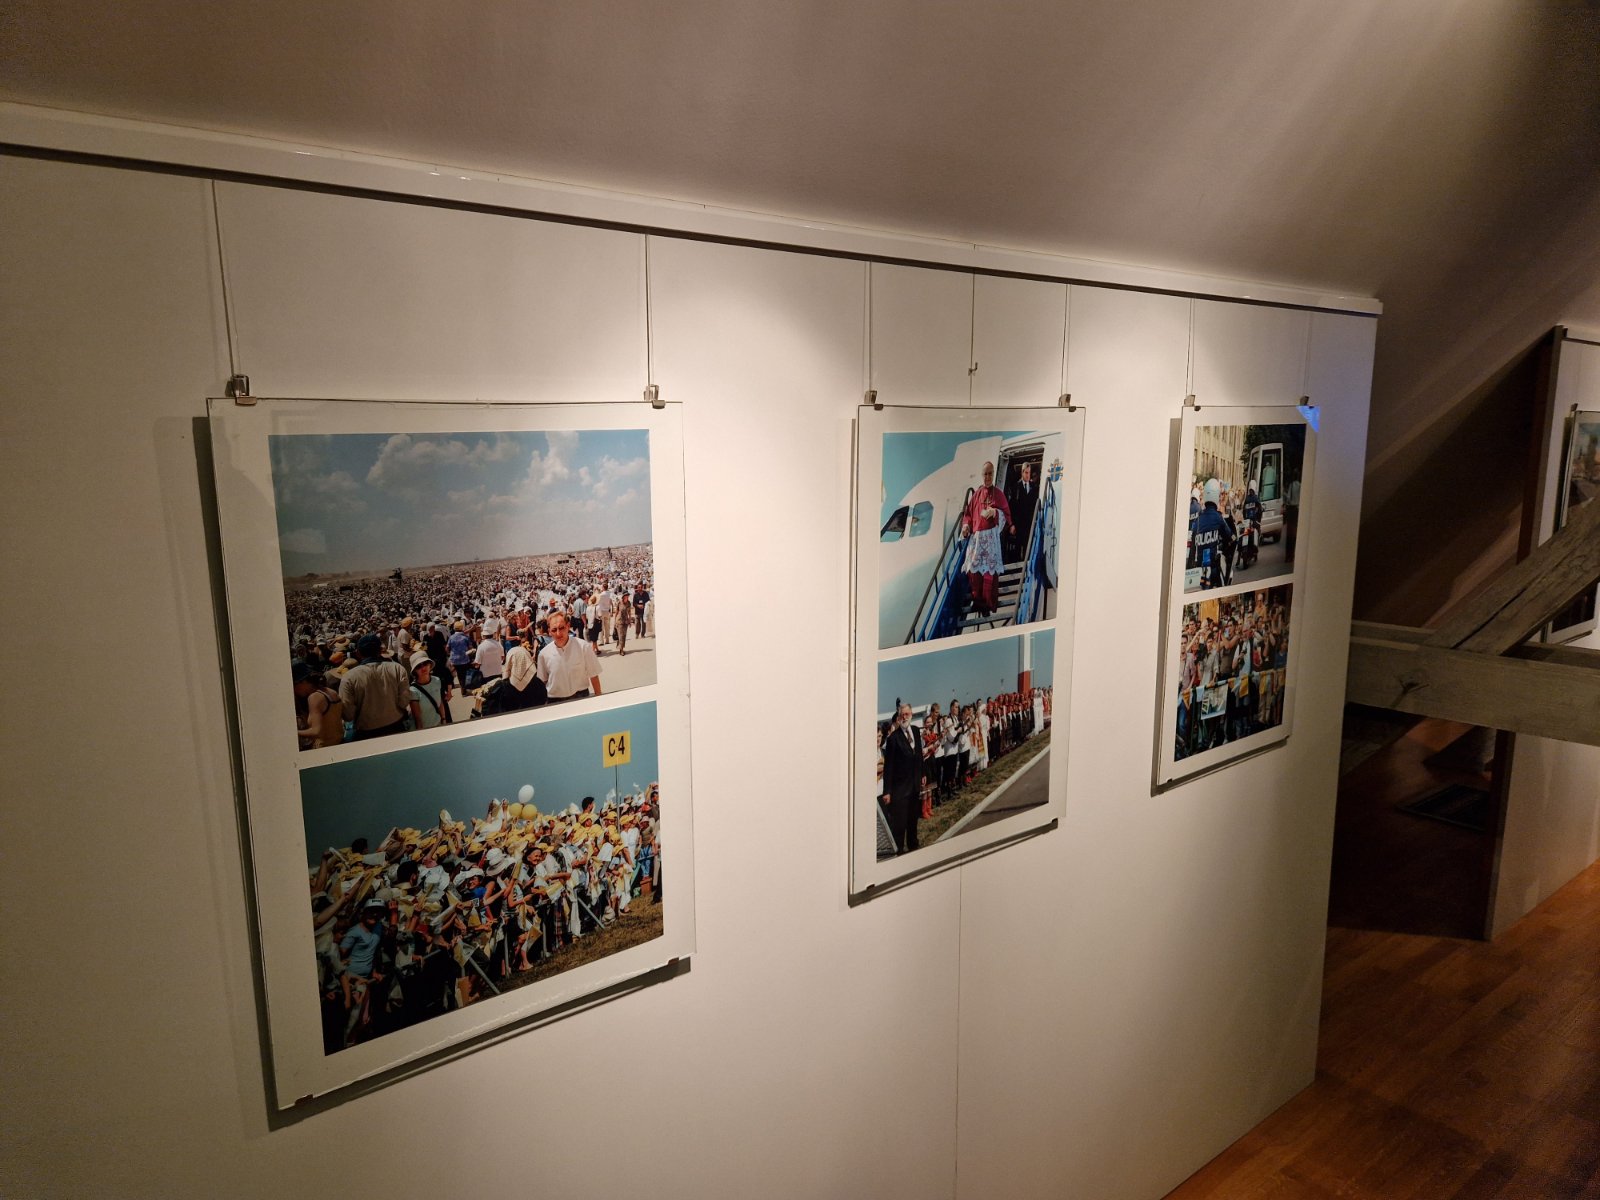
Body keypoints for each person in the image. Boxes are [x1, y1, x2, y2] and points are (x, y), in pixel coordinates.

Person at [960, 461, 1014, 617]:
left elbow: (1007, 515)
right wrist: (966, 527)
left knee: (989, 573)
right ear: (982, 475)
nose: (988, 477)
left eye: (990, 473)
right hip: (977, 539)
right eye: (985, 474)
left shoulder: (999, 494)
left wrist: (996, 513)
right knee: (974, 571)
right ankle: (977, 601)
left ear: (993, 474)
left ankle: (988, 604)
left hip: (991, 540)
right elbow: (968, 515)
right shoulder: (976, 495)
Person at [338, 633, 412, 740]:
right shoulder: (397, 668)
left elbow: (348, 715)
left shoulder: (349, 677)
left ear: (358, 653)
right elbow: (404, 702)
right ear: (380, 650)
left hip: (366, 734)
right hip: (397, 728)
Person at [880, 702, 923, 854]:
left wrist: (923, 774)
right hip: (900, 790)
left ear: (911, 715)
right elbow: (888, 767)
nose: (904, 717)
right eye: (902, 715)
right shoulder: (893, 738)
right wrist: (887, 791)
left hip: (915, 786)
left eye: (907, 714)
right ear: (898, 717)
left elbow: (919, 755)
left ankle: (913, 847)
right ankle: (898, 852)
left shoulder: (916, 731)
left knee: (913, 820)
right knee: (900, 824)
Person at [536, 612, 603, 701]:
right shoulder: (543, 654)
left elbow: (594, 675)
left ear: (568, 626)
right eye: (554, 630)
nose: (558, 633)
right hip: (555, 701)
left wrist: (599, 699)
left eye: (562, 628)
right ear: (549, 631)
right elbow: (543, 681)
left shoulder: (583, 647)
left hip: (581, 697)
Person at [1189, 478, 1235, 589]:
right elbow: (1230, 536)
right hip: (1214, 569)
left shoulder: (1198, 520)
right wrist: (1232, 539)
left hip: (1198, 572)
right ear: (1216, 496)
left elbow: (1192, 547)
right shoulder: (1218, 517)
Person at [294, 660, 344, 749]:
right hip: (339, 743)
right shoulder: (330, 691)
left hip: (325, 747)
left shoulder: (314, 698)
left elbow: (316, 731)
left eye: (294, 685)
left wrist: (293, 732)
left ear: (302, 682)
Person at [1004, 461, 1039, 562]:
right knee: (1017, 549)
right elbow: (1011, 507)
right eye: (1026, 473)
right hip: (1018, 524)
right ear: (1022, 472)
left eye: (1029, 472)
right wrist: (1011, 525)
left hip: (1029, 524)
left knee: (1029, 547)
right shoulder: (1015, 488)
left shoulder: (1034, 487)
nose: (1028, 475)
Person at [407, 652, 449, 730]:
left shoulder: (437, 680)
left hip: (438, 725)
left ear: (430, 664)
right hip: (425, 729)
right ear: (414, 671)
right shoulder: (413, 690)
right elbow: (417, 718)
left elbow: (440, 703)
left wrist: (443, 719)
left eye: (425, 663)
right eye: (418, 666)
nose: (423, 668)